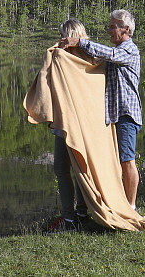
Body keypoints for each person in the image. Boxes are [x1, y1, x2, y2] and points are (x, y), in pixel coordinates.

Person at [59, 9, 142, 210]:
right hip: (113, 116)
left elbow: (110, 54)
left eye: (113, 27)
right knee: (115, 162)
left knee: (127, 160)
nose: (109, 30)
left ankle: (131, 206)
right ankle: (116, 203)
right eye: (110, 26)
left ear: (126, 29)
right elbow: (99, 63)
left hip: (126, 115)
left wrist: (80, 42)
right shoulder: (117, 53)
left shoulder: (128, 50)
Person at [50, 18, 92, 231]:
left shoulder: (63, 58)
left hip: (69, 123)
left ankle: (70, 219)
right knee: (78, 168)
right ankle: (80, 214)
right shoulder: (91, 59)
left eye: (62, 34)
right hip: (83, 124)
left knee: (64, 169)